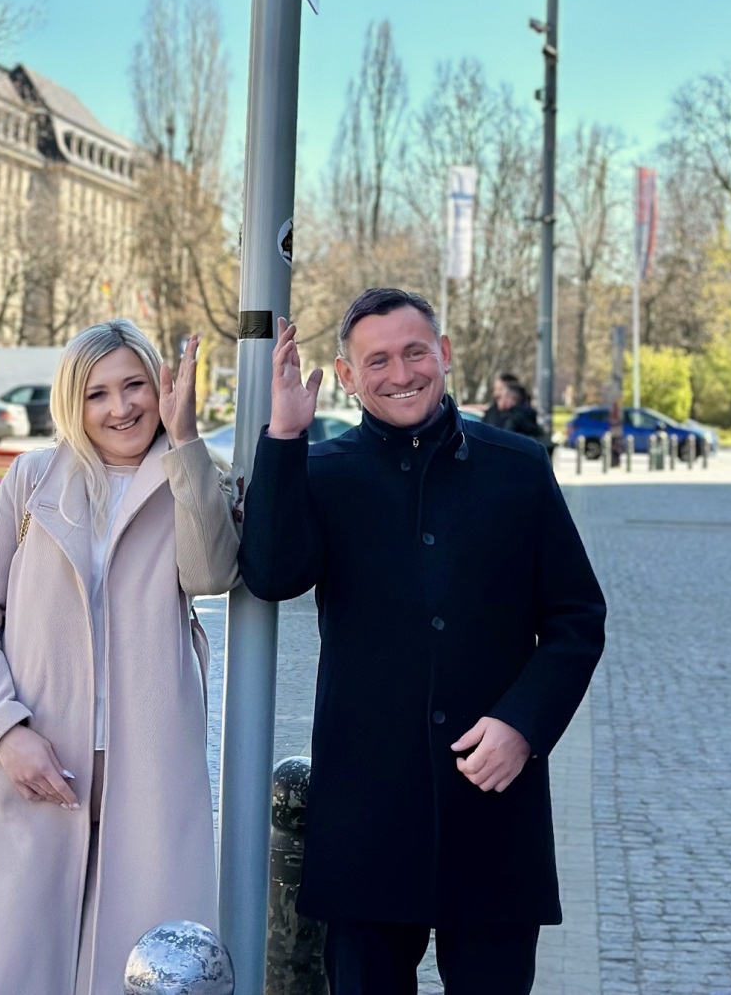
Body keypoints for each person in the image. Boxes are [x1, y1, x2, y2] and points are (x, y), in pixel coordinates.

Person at [238, 288, 606, 995]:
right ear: (346, 376)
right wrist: (283, 438)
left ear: (443, 354)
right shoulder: (322, 472)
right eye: (376, 360)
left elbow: (574, 616)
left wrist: (522, 726)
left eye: (414, 352)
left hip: (491, 801)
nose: (399, 372)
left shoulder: (518, 467)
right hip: (367, 814)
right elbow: (273, 574)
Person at [0, 320, 240, 995]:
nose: (120, 407)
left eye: (134, 384)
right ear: (72, 404)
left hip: (150, 773)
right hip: (36, 766)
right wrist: (6, 732)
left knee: (142, 971)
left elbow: (210, 574)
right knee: (16, 970)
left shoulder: (189, 479)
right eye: (97, 393)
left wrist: (187, 440)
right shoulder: (33, 480)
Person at [484, 373, 547, 445]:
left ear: (511, 399)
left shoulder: (515, 418)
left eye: (500, 390)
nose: (497, 395)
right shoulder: (493, 412)